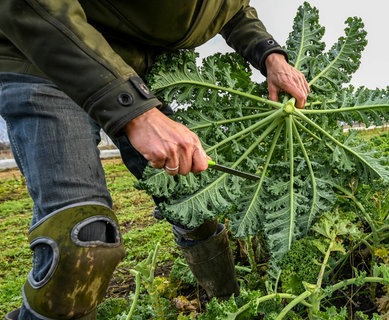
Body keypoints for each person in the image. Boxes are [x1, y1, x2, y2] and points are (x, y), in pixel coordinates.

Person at [0, 1, 310, 319]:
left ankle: (229, 308)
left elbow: (231, 9)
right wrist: (135, 114)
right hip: (45, 55)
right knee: (82, 239)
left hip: (129, 73)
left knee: (193, 206)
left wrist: (270, 55)